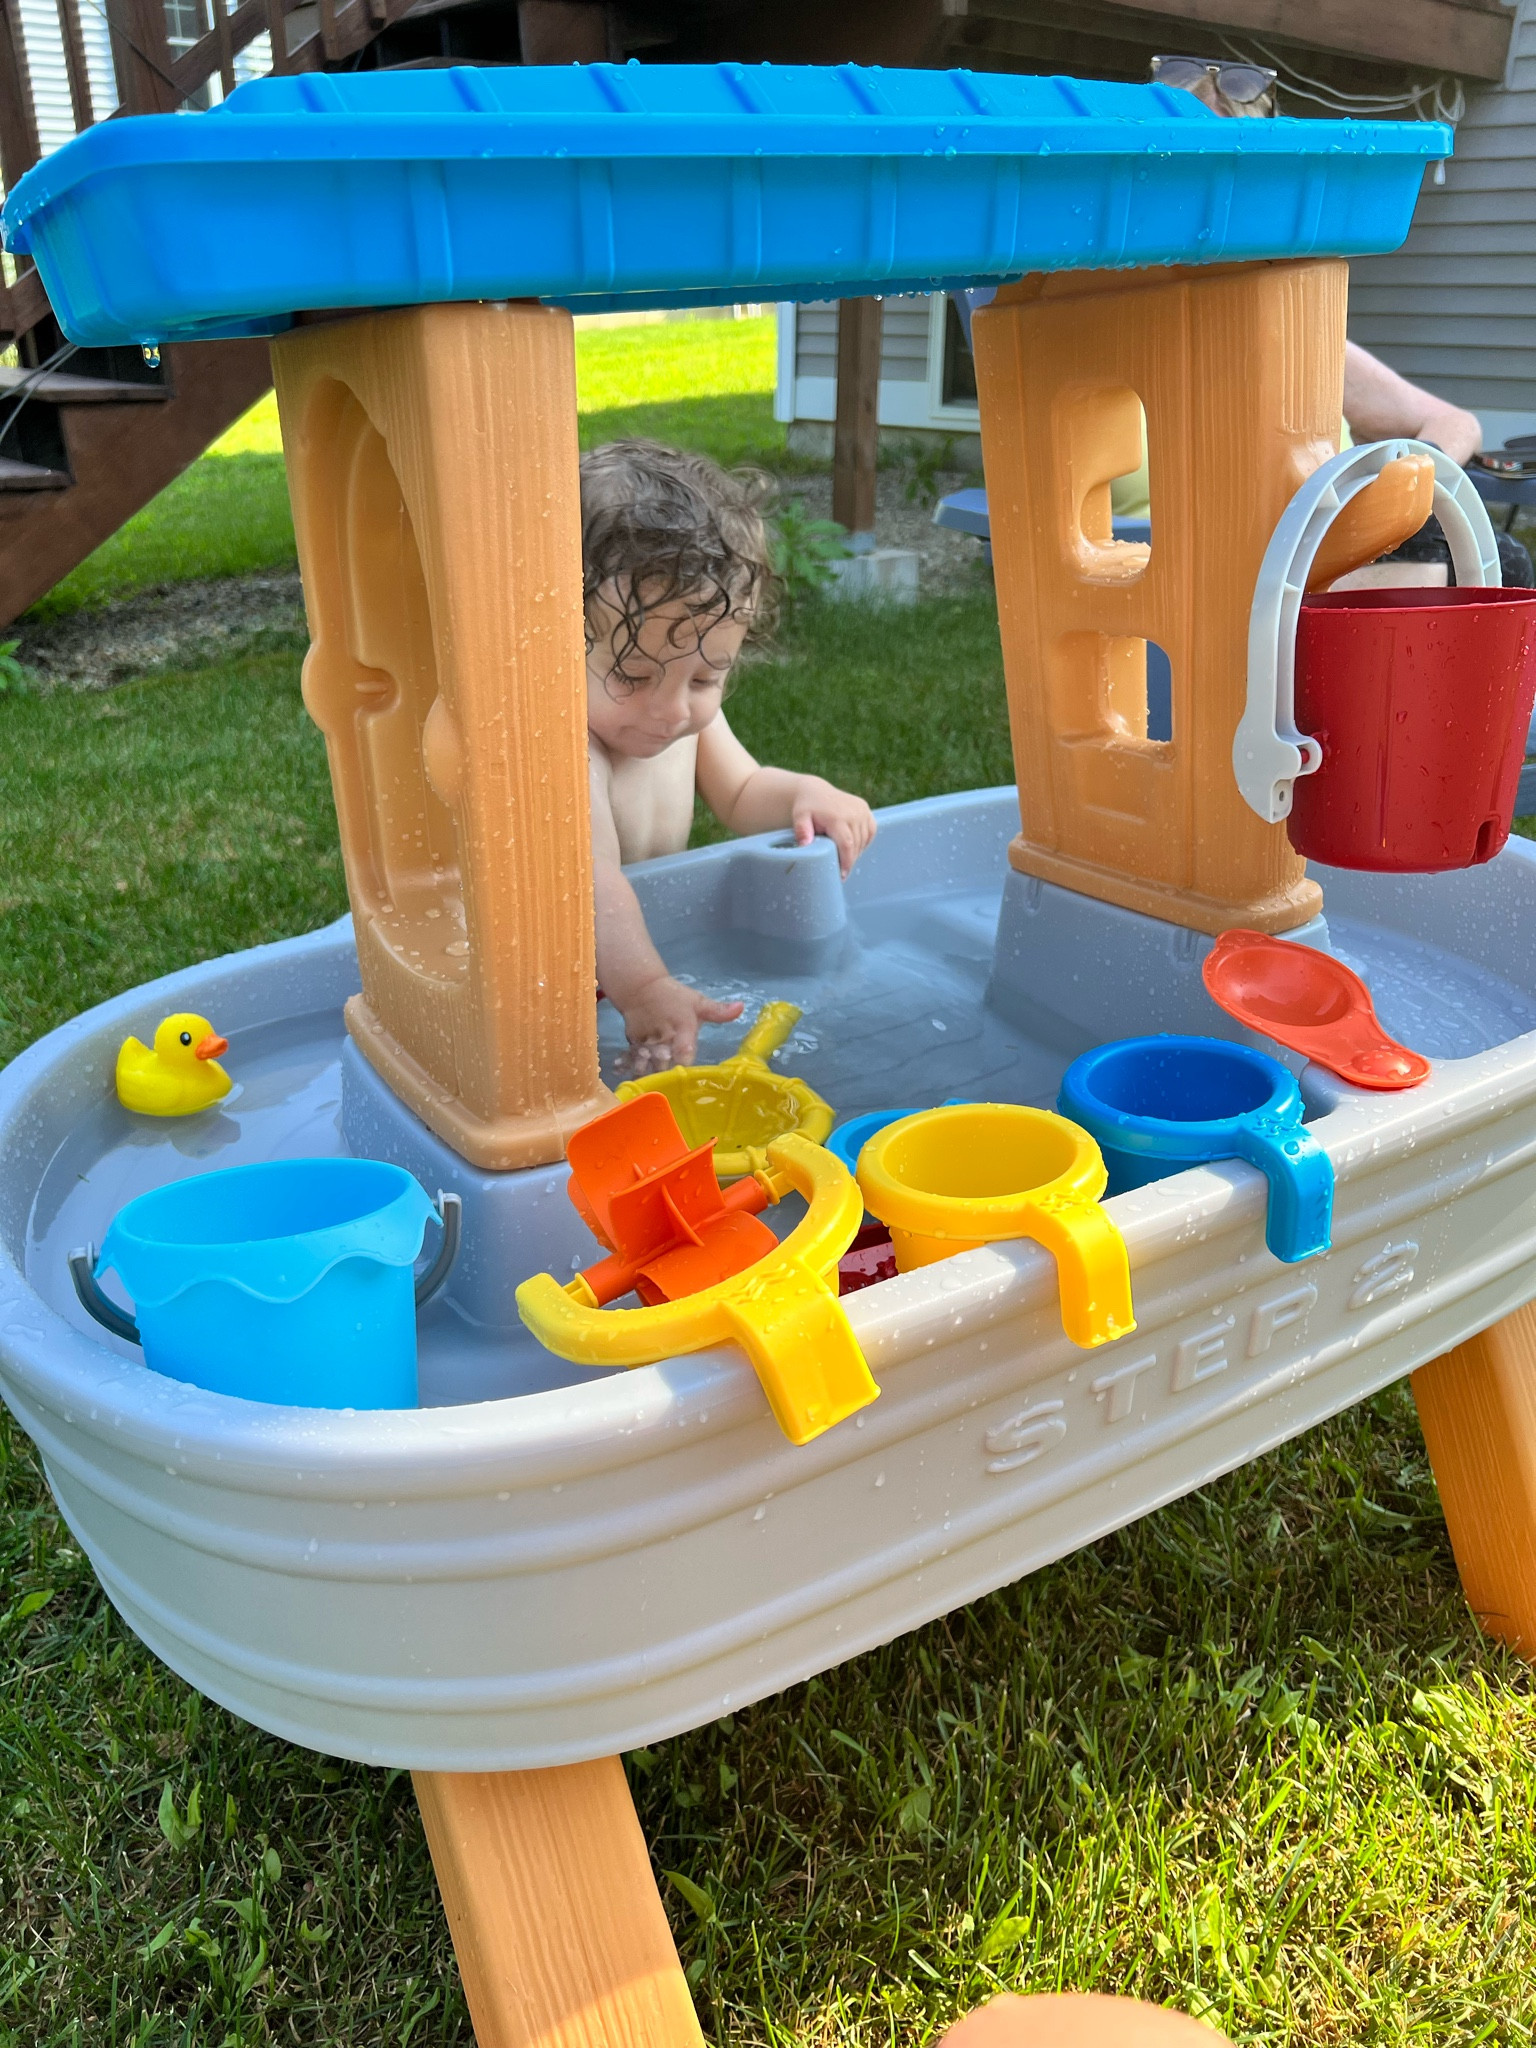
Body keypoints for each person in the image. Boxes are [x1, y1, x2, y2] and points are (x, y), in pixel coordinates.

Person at [584, 439, 876, 1073]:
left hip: (642, 960)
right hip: (583, 981)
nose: (670, 709)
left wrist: (805, 793)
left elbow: (743, 793)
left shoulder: (681, 725)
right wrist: (645, 990)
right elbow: (591, 881)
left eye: (703, 679)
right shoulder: (574, 754)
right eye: (633, 676)